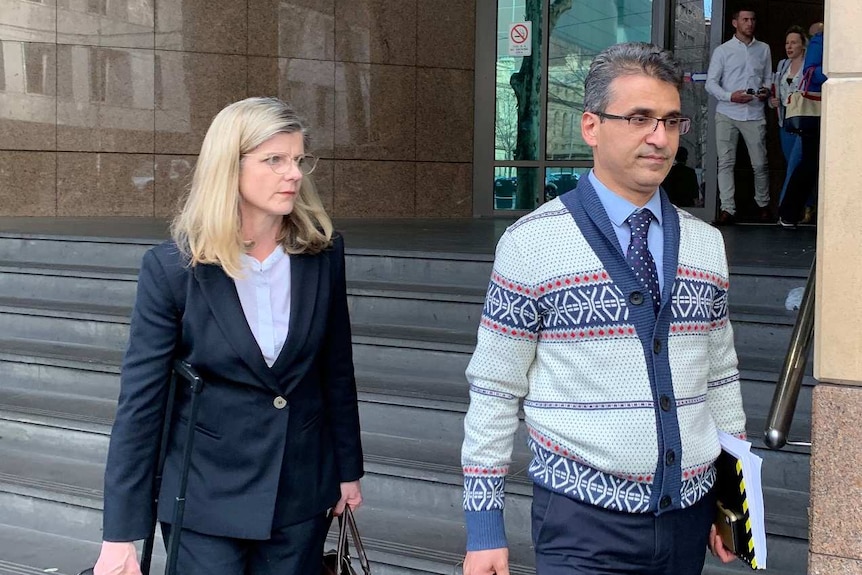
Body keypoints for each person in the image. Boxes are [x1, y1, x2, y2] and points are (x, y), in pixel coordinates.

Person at [461, 42, 746, 575]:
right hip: (582, 524)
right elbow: (496, 390)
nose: (658, 137)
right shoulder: (532, 243)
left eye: (670, 120)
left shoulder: (706, 245)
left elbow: (721, 378)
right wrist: (484, 527)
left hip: (688, 518)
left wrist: (731, 500)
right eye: (639, 118)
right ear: (591, 126)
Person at [93, 97, 364, 575]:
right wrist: (119, 534)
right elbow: (141, 403)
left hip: (300, 490)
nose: (294, 174)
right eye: (274, 160)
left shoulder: (322, 253)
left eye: (299, 160)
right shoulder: (173, 269)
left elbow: (335, 369)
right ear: (228, 166)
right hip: (204, 498)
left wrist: (347, 470)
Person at [706, 7, 772, 225]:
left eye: (752, 19)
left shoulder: (763, 49)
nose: (750, 23)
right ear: (735, 23)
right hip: (727, 112)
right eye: (745, 19)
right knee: (725, 162)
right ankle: (728, 209)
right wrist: (730, 96)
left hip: (754, 112)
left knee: (760, 164)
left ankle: (763, 205)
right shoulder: (723, 51)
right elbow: (710, 83)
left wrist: (765, 90)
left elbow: (768, 77)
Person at [778, 22, 825, 228]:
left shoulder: (818, 44)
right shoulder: (819, 41)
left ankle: (791, 211)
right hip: (811, 116)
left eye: (793, 42)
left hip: (812, 115)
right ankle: (789, 212)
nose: (789, 46)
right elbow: (812, 74)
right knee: (804, 165)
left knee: (805, 164)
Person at [768, 26, 807, 205]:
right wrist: (772, 101)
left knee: (796, 167)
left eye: (793, 43)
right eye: (787, 43)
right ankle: (804, 206)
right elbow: (776, 92)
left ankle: (788, 208)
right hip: (786, 123)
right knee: (792, 166)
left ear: (803, 45)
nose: (789, 47)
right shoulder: (783, 65)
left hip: (804, 122)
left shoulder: (809, 66)